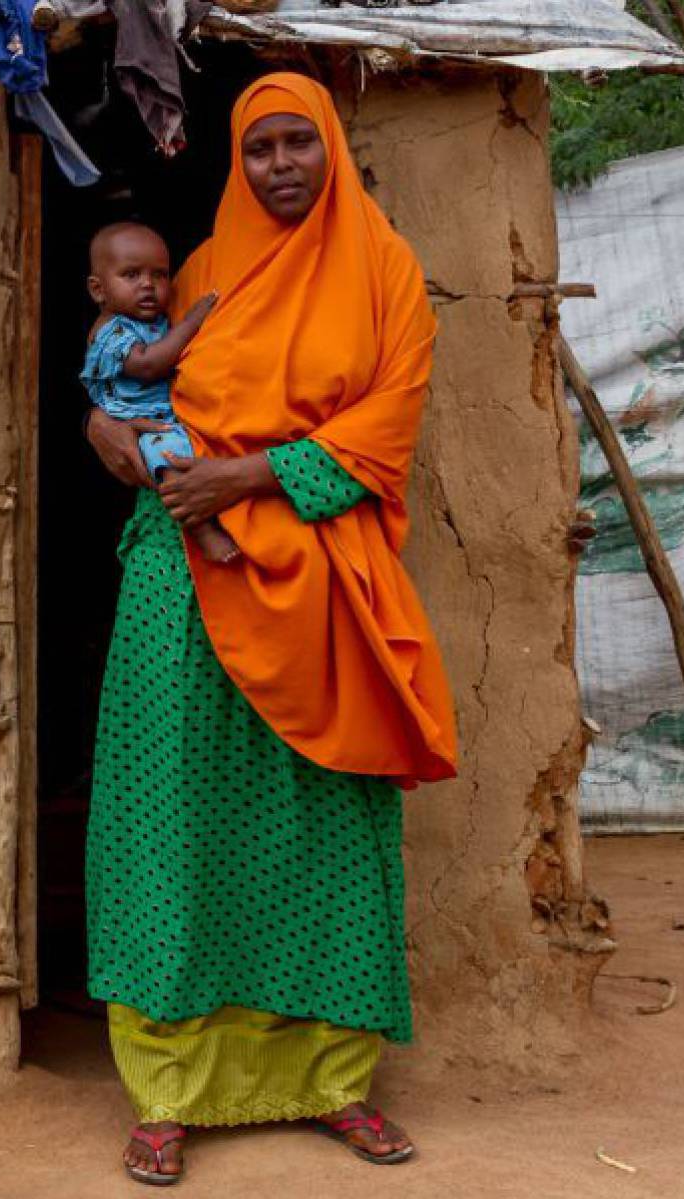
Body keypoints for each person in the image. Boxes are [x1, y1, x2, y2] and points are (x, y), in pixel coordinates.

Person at [80, 72, 459, 1187]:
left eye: (299, 142)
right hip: (184, 580)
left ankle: (333, 1081)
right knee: (170, 823)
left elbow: (385, 427)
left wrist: (247, 475)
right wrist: (102, 423)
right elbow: (129, 383)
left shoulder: (384, 273)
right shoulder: (200, 274)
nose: (280, 165)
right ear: (237, 161)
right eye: (260, 148)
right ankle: (166, 1092)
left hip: (322, 583)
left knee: (326, 826)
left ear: (331, 147)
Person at [80, 221, 238, 564]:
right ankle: (202, 531)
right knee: (168, 459)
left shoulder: (148, 320)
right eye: (131, 275)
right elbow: (149, 364)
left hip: (164, 412)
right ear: (98, 290)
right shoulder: (111, 331)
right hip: (138, 419)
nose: (148, 285)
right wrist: (192, 322)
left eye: (160, 275)